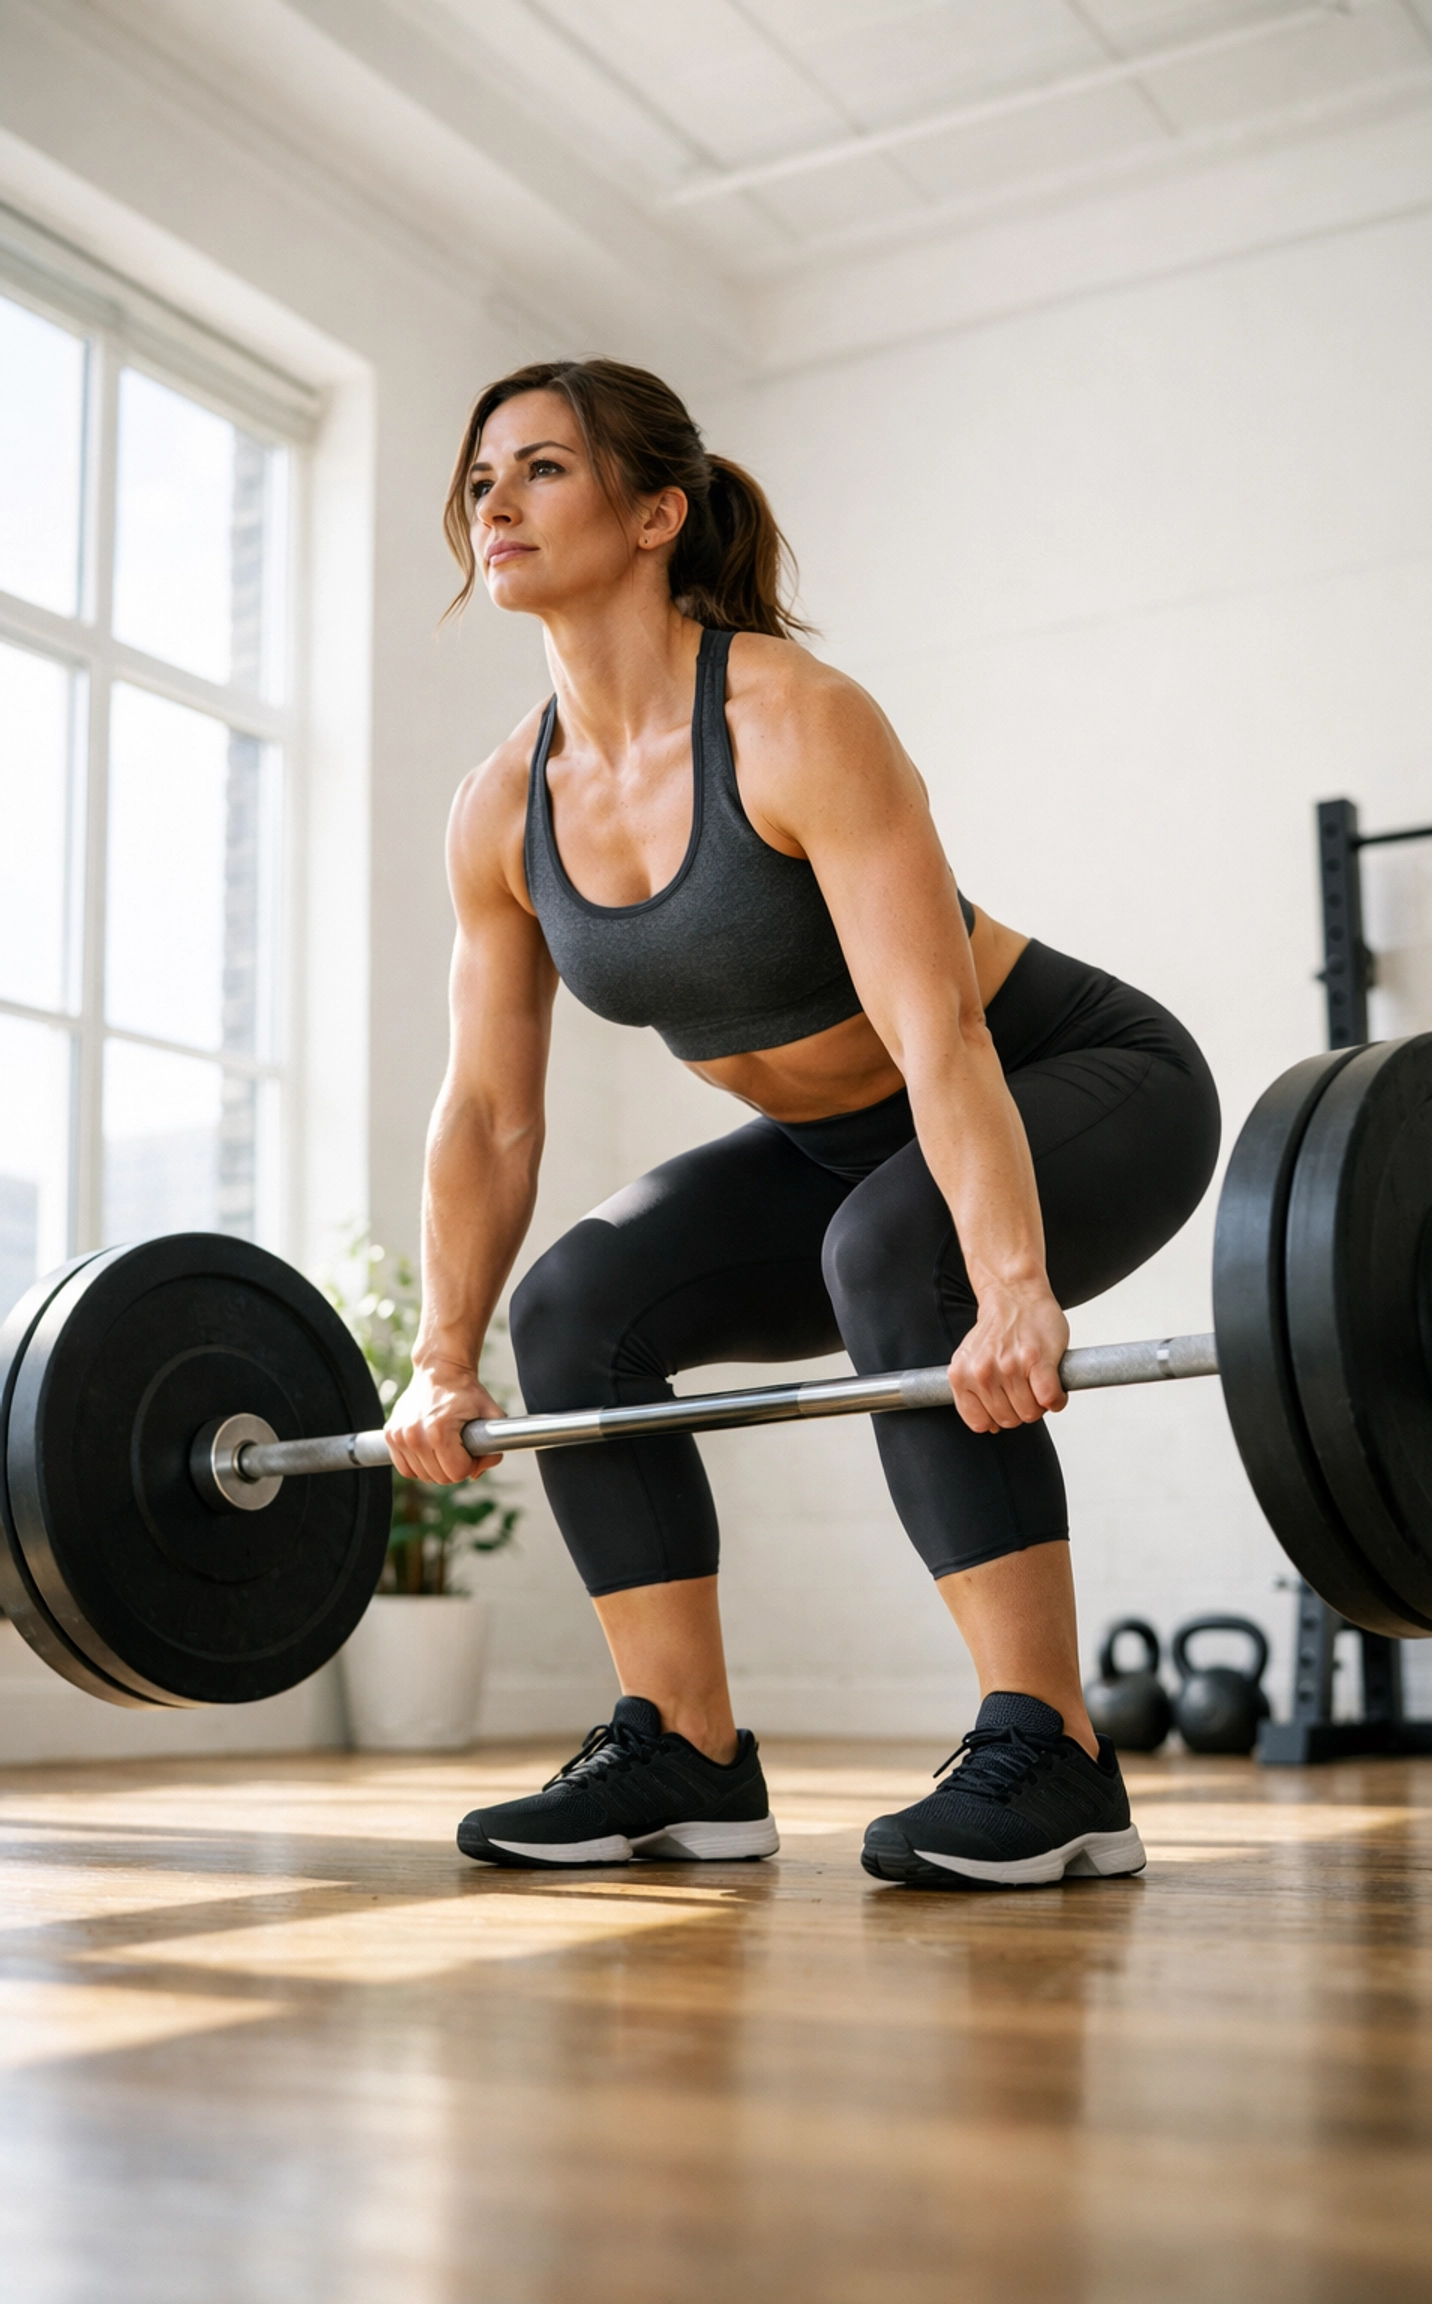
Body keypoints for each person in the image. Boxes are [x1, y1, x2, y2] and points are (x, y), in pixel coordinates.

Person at [386, 359, 1221, 1889]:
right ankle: (683, 1751)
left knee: (896, 1250)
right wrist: (442, 1357)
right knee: (575, 1306)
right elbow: (493, 1114)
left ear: (656, 513)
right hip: (851, 1149)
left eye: (542, 470)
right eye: (479, 478)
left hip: (1081, 1083)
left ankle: (1057, 1751)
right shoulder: (499, 807)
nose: (491, 503)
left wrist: (1012, 1277)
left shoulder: (789, 717)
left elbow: (938, 1029)